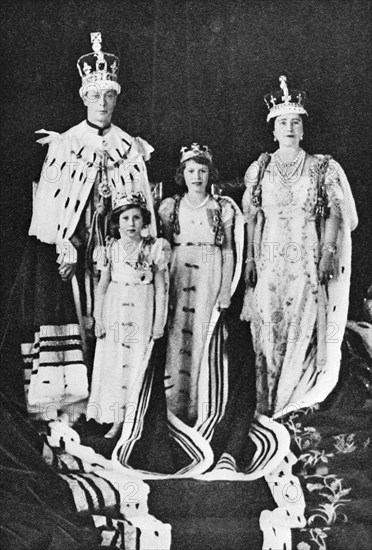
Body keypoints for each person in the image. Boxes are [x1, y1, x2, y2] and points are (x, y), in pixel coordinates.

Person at [20, 32, 156, 416]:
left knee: (115, 318)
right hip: (77, 246)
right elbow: (49, 205)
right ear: (83, 98)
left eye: (108, 96)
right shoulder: (65, 144)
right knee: (82, 316)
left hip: (118, 248)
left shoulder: (129, 146)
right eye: (95, 96)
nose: (102, 103)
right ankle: (77, 402)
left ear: (116, 98)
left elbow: (141, 207)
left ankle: (116, 401)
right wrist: (63, 241)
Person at [240, 75, 358, 417]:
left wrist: (328, 254)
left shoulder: (322, 167)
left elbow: (336, 214)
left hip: (306, 256)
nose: (289, 128)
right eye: (282, 123)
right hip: (270, 257)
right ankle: (268, 405)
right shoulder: (260, 168)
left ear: (303, 130)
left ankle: (293, 401)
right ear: (273, 130)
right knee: (269, 325)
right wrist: (250, 259)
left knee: (301, 324)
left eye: (295, 122)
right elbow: (252, 217)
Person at [158, 144, 242, 426]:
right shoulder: (172, 206)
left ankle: (200, 407)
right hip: (180, 269)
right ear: (182, 174)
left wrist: (224, 291)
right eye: (191, 171)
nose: (197, 177)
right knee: (177, 335)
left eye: (202, 171)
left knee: (204, 338)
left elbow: (229, 249)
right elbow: (166, 246)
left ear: (210, 174)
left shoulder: (222, 207)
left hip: (210, 269)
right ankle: (174, 406)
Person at [86, 192, 170, 437]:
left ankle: (134, 418)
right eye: (126, 218)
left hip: (142, 309)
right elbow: (101, 285)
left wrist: (159, 323)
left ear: (144, 221)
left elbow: (161, 288)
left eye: (136, 218)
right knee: (114, 360)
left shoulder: (154, 247)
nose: (131, 223)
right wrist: (98, 318)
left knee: (136, 360)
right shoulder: (110, 249)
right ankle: (115, 417)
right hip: (115, 308)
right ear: (117, 222)